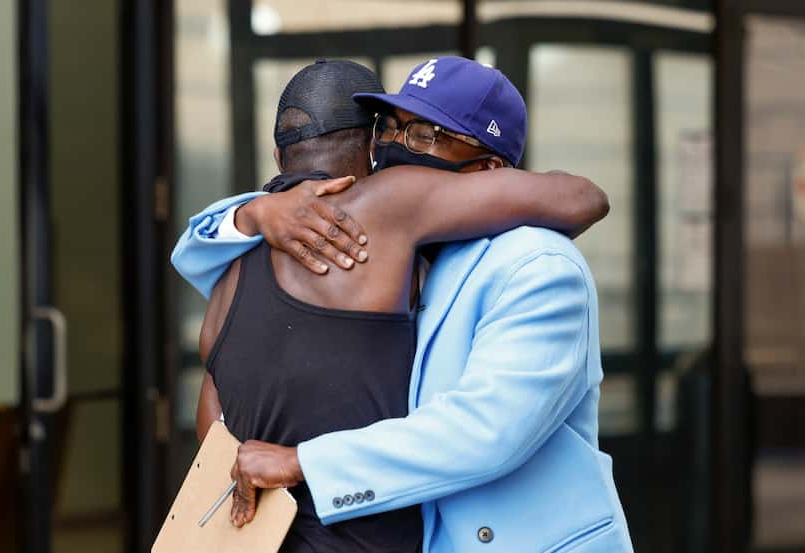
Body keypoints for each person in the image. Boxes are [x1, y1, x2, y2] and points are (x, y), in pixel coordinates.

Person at [174, 57, 633, 552]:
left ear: (488, 171)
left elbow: (487, 432)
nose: (394, 148)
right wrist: (253, 212)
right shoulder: (383, 246)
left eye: (424, 136)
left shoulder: (538, 266)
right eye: (390, 128)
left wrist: (302, 461)